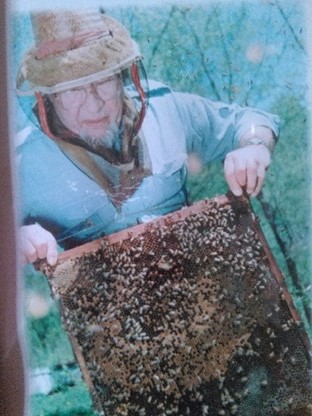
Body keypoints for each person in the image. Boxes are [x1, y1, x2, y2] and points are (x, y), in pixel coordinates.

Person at [16, 10, 279, 267]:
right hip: (105, 307)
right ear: (47, 97)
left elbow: (247, 120)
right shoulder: (22, 162)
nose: (94, 104)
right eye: (72, 90)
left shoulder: (167, 111)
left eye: (103, 81)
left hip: (197, 281)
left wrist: (254, 145)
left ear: (121, 77)